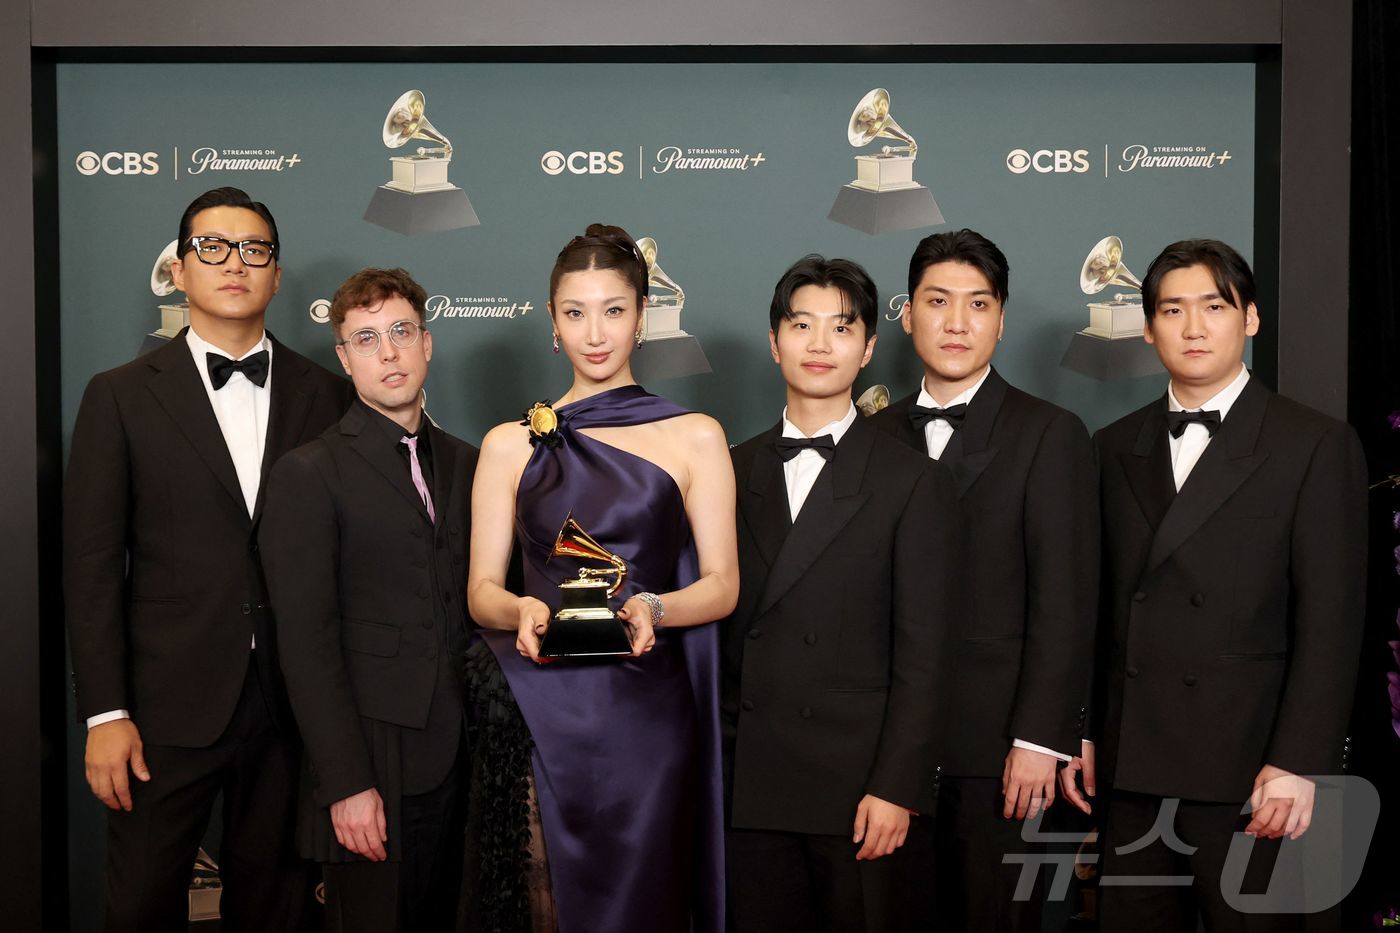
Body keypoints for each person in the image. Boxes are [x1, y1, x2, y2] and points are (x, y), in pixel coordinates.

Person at [64, 186, 352, 931]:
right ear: (181, 270)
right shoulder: (119, 396)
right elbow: (92, 565)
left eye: (255, 250)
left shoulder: (327, 394)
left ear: (277, 275)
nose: (235, 263)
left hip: (292, 707)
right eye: (213, 248)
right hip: (162, 707)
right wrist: (105, 710)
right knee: (139, 907)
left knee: (280, 908)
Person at [1060, 239, 1367, 931]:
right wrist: (1079, 725)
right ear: (1148, 327)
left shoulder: (1314, 444)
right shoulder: (1112, 445)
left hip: (1254, 770)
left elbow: (1334, 618)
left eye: (1214, 306)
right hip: (1134, 766)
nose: (1193, 327)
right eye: (1173, 310)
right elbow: (1090, 604)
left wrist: (1298, 759)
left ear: (1250, 319)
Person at [462, 223, 738, 933]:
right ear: (551, 322)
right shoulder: (508, 442)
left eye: (614, 310)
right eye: (575, 312)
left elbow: (721, 584)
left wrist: (651, 606)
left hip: (648, 711)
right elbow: (481, 591)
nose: (595, 332)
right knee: (540, 900)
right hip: (537, 700)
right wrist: (519, 608)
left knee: (643, 902)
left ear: (643, 317)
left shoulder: (696, 435)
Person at [723, 254, 960, 933]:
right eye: (802, 325)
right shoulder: (729, 468)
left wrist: (897, 786)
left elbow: (927, 654)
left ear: (869, 347)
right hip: (752, 784)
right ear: (774, 342)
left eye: (841, 327)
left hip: (860, 788)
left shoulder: (913, 481)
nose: (820, 344)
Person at [873, 229, 1098, 932]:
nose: (957, 321)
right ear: (906, 314)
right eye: (938, 301)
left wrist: (1040, 738)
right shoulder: (871, 437)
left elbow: (1066, 599)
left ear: (1001, 318)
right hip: (891, 753)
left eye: (978, 303)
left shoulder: (1050, 433)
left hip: (1003, 751)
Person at [259, 268, 474, 931]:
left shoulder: (470, 462)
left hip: (465, 755)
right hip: (373, 758)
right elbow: (305, 644)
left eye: (402, 331)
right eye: (367, 337)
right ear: (344, 357)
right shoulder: (309, 472)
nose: (389, 352)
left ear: (427, 343)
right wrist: (347, 782)